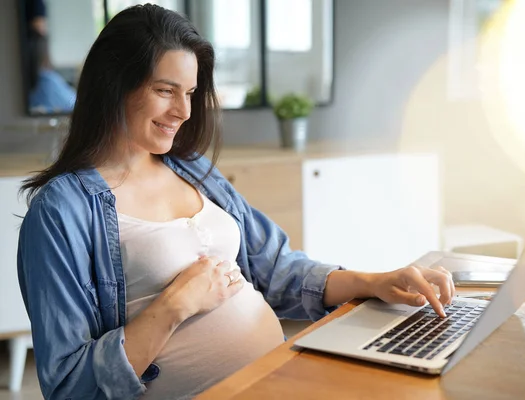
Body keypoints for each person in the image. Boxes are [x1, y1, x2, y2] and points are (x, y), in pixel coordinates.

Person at [17, 4, 455, 400]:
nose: (184, 111)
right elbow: (70, 384)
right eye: (166, 90)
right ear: (115, 86)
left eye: (189, 93)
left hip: (276, 379)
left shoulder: (193, 170)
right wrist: (175, 306)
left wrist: (374, 281)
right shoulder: (61, 211)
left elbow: (278, 271)